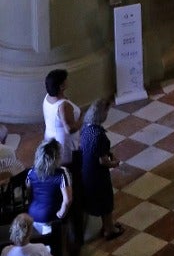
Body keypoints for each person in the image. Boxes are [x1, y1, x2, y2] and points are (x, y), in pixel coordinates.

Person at [79, 99, 121, 240]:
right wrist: (114, 164)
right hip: (97, 174)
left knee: (102, 200)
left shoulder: (86, 128)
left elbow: (94, 150)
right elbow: (103, 161)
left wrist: (108, 153)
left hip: (86, 171)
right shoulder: (100, 135)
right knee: (106, 200)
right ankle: (109, 229)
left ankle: (108, 226)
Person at [26, 141, 71, 237]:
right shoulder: (62, 173)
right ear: (56, 157)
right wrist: (61, 214)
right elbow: (68, 200)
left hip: (33, 215)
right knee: (56, 245)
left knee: (39, 244)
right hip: (51, 216)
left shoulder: (31, 172)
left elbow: (29, 193)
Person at [41, 70, 80, 168]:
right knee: (70, 168)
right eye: (65, 80)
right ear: (61, 86)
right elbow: (69, 129)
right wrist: (83, 120)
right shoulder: (63, 106)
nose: (68, 80)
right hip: (63, 143)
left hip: (49, 136)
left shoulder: (47, 97)